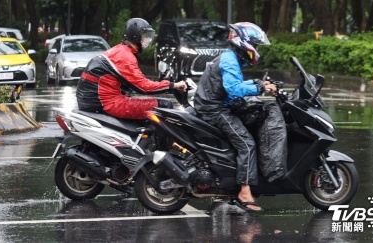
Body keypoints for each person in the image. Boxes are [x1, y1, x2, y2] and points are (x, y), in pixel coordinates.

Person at [193, 22, 276, 212]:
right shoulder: (229, 59)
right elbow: (233, 88)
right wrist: (261, 87)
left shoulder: (230, 57)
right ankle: (244, 192)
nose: (256, 49)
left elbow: (233, 84)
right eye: (255, 44)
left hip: (213, 105)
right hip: (213, 109)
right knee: (246, 143)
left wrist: (257, 83)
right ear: (244, 42)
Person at [76, 18, 187, 119]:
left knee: (137, 101)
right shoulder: (124, 56)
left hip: (93, 101)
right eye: (145, 35)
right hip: (106, 103)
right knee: (164, 105)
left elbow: (133, 83)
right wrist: (173, 85)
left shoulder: (120, 51)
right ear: (136, 36)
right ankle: (165, 142)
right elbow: (144, 87)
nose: (148, 39)